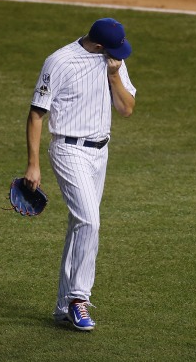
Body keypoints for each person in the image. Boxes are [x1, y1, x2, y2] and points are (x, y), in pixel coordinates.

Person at [24, 17, 137, 331]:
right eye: (112, 50)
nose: (118, 54)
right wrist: (33, 164)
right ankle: (78, 299)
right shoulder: (60, 62)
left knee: (80, 224)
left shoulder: (113, 60)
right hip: (68, 149)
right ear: (97, 44)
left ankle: (62, 307)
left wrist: (115, 75)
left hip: (100, 153)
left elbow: (127, 109)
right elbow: (36, 112)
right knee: (90, 220)